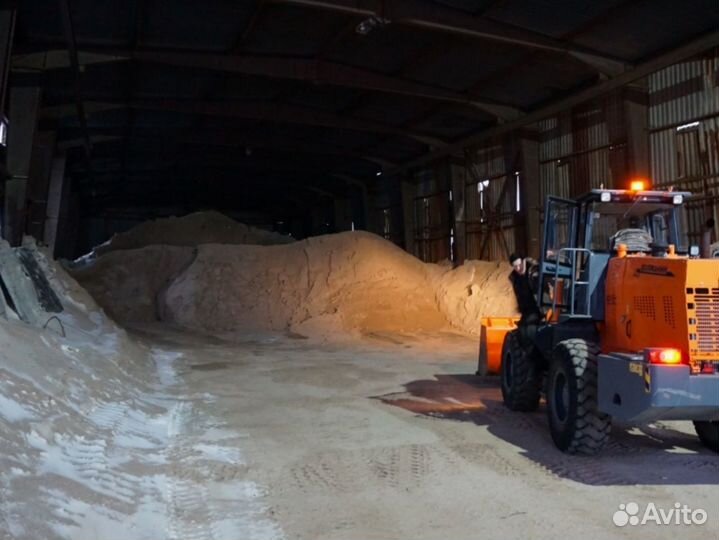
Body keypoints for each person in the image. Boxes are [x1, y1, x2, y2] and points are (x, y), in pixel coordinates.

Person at [508, 253, 542, 349]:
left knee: (528, 330)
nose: (519, 268)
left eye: (520, 265)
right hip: (527, 310)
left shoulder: (534, 271)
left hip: (539, 309)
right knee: (521, 331)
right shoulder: (514, 278)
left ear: (524, 261)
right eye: (515, 266)